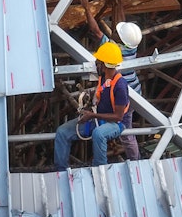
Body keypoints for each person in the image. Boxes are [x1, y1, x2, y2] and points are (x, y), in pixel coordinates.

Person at [78, 0, 143, 161]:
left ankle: (133, 160)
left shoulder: (111, 48)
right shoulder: (131, 46)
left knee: (124, 132)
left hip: (120, 95)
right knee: (127, 132)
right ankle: (134, 159)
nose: (115, 29)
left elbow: (95, 30)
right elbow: (121, 25)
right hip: (135, 91)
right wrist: (119, 2)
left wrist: (86, 7)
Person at [54, 41, 130, 170]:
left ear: (104, 65)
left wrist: (92, 115)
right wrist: (88, 111)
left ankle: (101, 170)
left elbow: (118, 116)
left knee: (98, 134)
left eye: (98, 62)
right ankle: (61, 171)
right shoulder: (104, 78)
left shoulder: (120, 86)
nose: (95, 65)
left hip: (116, 124)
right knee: (62, 132)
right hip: (98, 119)